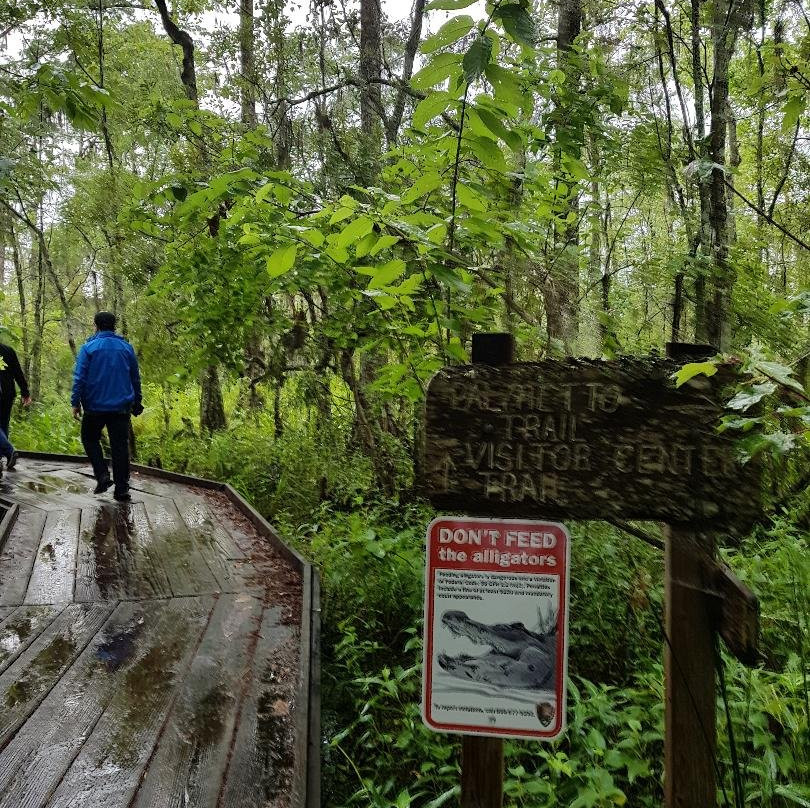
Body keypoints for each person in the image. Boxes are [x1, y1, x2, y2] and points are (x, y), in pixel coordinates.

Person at [71, 311, 143, 502]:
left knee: (89, 438)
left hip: (94, 406)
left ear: (96, 325)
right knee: (120, 447)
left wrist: (75, 402)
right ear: (114, 326)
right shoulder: (126, 348)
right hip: (120, 407)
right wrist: (138, 401)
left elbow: (79, 377)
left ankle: (102, 474)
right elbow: (135, 378)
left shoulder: (88, 348)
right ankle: (122, 490)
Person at [0, 341, 32, 443]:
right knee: (3, 423)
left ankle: (7, 451)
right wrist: (25, 392)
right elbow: (18, 373)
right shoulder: (8, 351)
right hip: (7, 393)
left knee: (3, 423)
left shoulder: (9, 351)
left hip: (6, 393)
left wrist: (25, 392)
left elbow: (17, 373)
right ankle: (4, 453)